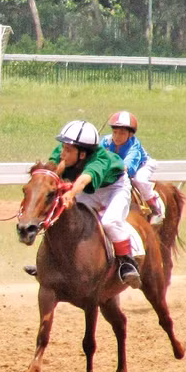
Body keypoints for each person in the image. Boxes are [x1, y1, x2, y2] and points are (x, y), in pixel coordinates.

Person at [26, 120, 140, 287]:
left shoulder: (99, 158)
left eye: (68, 150)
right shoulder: (62, 151)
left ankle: (126, 262)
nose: (63, 152)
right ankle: (48, 264)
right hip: (89, 190)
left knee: (110, 222)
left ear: (83, 154)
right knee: (62, 216)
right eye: (63, 147)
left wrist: (71, 193)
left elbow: (84, 179)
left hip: (114, 188)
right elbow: (54, 171)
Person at [101, 111, 164, 225]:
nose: (117, 137)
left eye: (122, 133)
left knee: (139, 180)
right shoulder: (105, 141)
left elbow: (129, 169)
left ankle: (155, 208)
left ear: (130, 135)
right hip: (119, 167)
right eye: (115, 132)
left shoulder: (134, 146)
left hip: (142, 165)